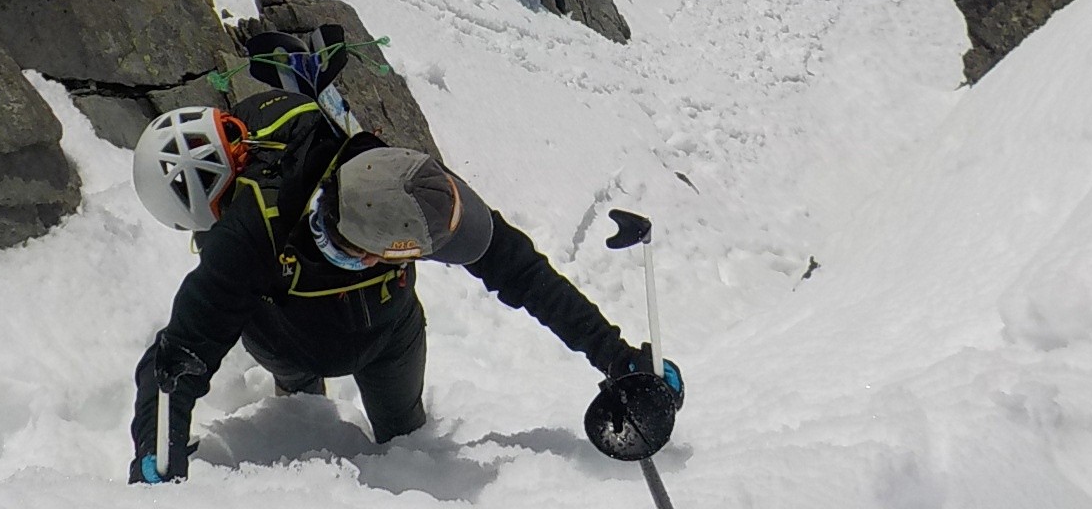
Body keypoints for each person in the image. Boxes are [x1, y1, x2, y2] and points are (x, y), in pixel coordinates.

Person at [126, 31, 681, 483]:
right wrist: (156, 455)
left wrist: (616, 356)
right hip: (287, 335)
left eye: (383, 256)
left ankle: (355, 416)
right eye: (349, 252)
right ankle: (300, 397)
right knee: (298, 404)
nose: (364, 261)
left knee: (406, 443)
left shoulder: (423, 193)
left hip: (389, 336)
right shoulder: (251, 232)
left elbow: (521, 272)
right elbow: (177, 358)